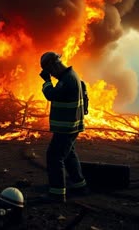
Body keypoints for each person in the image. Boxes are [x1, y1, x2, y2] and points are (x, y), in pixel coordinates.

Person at [38, 52, 88, 203]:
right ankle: (80, 185)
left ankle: (57, 193)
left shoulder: (67, 80)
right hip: (71, 126)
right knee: (69, 155)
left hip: (67, 127)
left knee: (54, 157)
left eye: (50, 71)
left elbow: (51, 94)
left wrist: (46, 82)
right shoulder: (71, 75)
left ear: (54, 65)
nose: (51, 75)